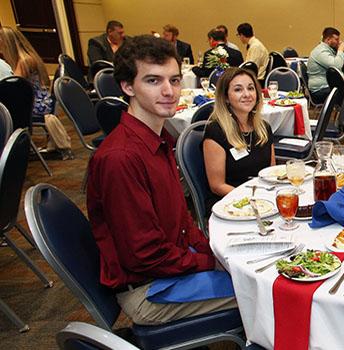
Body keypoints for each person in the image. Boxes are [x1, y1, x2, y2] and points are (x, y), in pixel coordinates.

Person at [87, 35, 237, 326]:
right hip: (148, 290)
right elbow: (144, 256)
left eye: (175, 80)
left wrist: (210, 252)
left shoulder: (158, 140)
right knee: (263, 291)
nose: (169, 91)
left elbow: (181, 222)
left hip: (171, 264)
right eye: (153, 81)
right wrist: (211, 263)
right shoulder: (121, 158)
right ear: (128, 86)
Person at [203, 68, 274, 212]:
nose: (247, 94)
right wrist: (251, 199)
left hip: (262, 200)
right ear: (226, 97)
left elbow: (270, 172)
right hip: (231, 203)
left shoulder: (263, 128)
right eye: (238, 90)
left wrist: (268, 197)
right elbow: (217, 186)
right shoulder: (216, 132)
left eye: (251, 88)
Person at [0, 26, 73, 159]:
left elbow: (14, 86)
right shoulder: (26, 57)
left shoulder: (24, 61)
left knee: (4, 114)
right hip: (39, 100)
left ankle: (11, 152)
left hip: (36, 105)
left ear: (7, 43)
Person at [307, 27, 344, 103]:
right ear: (328, 40)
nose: (339, 42)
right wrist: (341, 50)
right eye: (336, 39)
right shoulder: (321, 51)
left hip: (326, 86)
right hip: (320, 90)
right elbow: (337, 66)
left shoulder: (328, 50)